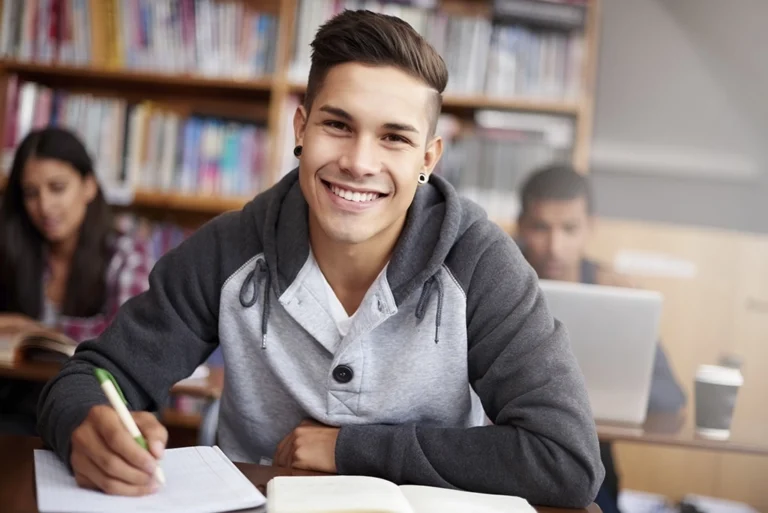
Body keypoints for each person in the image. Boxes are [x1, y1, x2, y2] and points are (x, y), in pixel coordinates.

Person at [37, 10, 604, 507]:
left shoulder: (481, 263)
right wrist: (83, 423)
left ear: (428, 157)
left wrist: (352, 450)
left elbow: (566, 460)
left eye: (394, 138)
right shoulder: (231, 246)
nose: (359, 162)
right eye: (338, 125)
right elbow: (91, 376)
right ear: (302, 128)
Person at [515, 163, 687, 513]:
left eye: (570, 229)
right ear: (520, 226)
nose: (555, 247)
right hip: (508, 453)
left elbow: (670, 394)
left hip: (589, 463)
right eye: (541, 228)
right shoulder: (497, 280)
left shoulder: (615, 293)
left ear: (591, 227)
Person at [0, 127, 153, 435]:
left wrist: (34, 329)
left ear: (89, 187)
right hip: (15, 407)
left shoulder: (125, 252)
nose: (44, 206)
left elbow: (125, 335)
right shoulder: (15, 246)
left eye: (57, 188)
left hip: (94, 410)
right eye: (31, 193)